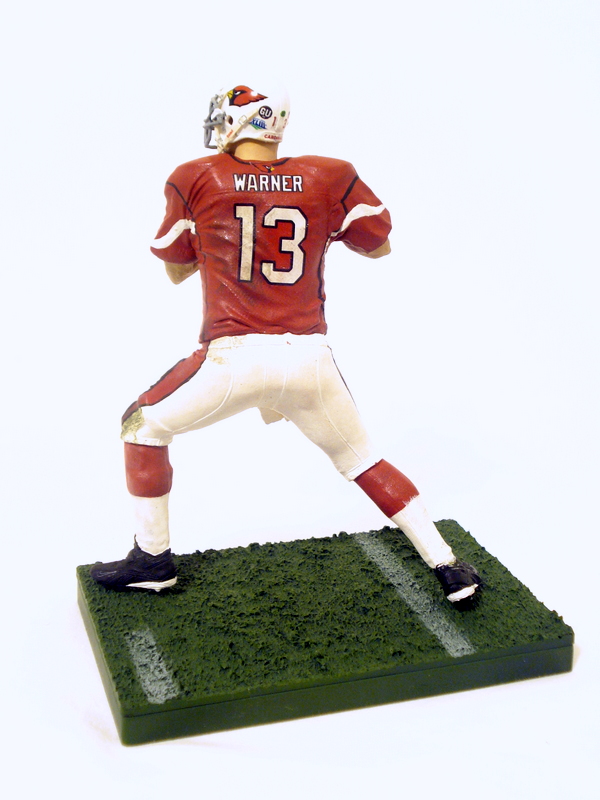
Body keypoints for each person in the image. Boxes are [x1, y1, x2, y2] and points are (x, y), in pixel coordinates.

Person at [91, 84, 481, 604]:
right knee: (363, 461)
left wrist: (220, 239)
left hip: (232, 358)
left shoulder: (197, 175)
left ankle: (152, 560)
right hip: (308, 359)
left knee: (141, 426)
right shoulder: (330, 175)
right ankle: (449, 567)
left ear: (237, 121)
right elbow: (379, 247)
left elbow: (176, 269)